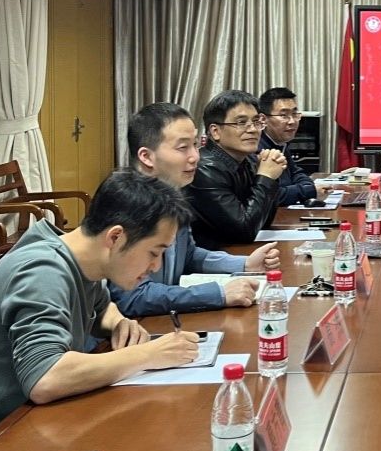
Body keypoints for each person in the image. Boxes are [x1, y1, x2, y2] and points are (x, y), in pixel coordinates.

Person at [0, 170, 202, 451]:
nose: (156, 266)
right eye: (154, 252)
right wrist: (149, 354)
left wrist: (118, 323)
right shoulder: (44, 271)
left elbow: (102, 309)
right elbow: (46, 378)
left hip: (33, 425)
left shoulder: (82, 258)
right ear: (115, 237)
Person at [110, 102, 281, 318]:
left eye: (195, 144)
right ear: (146, 156)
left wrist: (244, 264)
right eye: (183, 148)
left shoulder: (173, 193)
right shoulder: (127, 205)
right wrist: (218, 294)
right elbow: (134, 297)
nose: (195, 157)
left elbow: (188, 255)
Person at [185, 89, 286, 249]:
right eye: (241, 123)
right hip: (213, 258)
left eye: (256, 122)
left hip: (238, 252)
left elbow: (263, 222)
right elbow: (244, 231)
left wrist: (271, 176)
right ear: (215, 131)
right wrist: (266, 177)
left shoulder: (249, 160)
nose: (253, 129)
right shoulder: (204, 169)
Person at [257, 86, 321, 206]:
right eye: (284, 115)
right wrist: (309, 191)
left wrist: (307, 187)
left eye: (295, 114)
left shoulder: (281, 142)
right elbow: (271, 196)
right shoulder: (257, 150)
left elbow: (296, 173)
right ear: (263, 119)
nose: (292, 121)